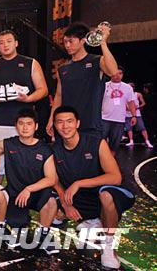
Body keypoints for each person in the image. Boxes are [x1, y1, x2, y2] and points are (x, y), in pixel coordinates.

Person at [52, 106, 135, 269]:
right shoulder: (54, 150)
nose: (65, 126)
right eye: (60, 122)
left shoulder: (96, 143)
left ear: (77, 123)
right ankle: (92, 219)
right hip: (81, 198)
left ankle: (109, 248)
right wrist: (65, 203)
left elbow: (115, 177)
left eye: (69, 121)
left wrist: (79, 183)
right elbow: (54, 180)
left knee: (106, 196)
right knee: (54, 209)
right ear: (54, 125)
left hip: (109, 192)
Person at [0, 30, 48, 176]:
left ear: (16, 43)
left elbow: (43, 89)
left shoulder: (30, 63)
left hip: (23, 123)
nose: (5, 45)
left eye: (9, 41)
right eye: (2, 42)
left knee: (22, 166)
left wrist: (28, 99)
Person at [0, 109, 58, 254]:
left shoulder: (44, 149)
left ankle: (43, 236)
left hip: (35, 194)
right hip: (15, 194)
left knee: (51, 202)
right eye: (21, 123)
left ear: (35, 126)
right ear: (16, 126)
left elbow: (51, 178)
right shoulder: (7, 144)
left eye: (29, 124)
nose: (25, 127)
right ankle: (1, 229)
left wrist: (29, 189)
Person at [47, 22, 118, 137]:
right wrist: (52, 119)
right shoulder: (63, 69)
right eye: (65, 42)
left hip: (91, 125)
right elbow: (59, 96)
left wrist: (103, 42)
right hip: (67, 127)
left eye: (71, 41)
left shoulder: (96, 61)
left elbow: (113, 71)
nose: (67, 45)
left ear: (83, 40)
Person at [101, 66, 137, 154]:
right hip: (104, 119)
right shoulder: (104, 86)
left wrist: (134, 116)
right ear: (110, 73)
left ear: (123, 75)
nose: (117, 75)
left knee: (115, 145)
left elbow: (131, 102)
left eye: (120, 73)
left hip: (119, 120)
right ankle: (100, 162)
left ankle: (110, 162)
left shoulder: (127, 87)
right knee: (100, 143)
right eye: (115, 73)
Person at [125, 82, 153, 148]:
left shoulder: (138, 94)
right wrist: (126, 108)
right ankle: (131, 141)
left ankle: (147, 141)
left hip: (137, 114)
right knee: (129, 128)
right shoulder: (125, 95)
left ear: (133, 88)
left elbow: (143, 103)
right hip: (128, 114)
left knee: (142, 128)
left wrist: (137, 107)